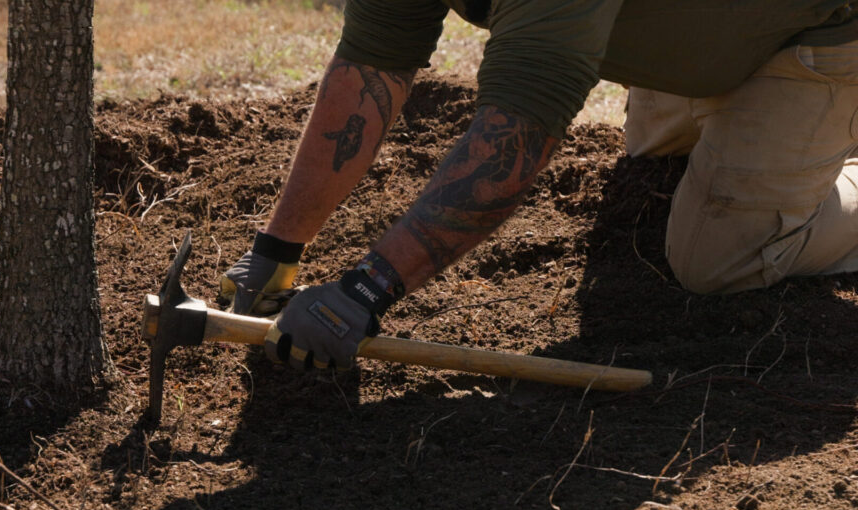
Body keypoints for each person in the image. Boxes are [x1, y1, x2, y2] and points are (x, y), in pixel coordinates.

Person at [219, 0, 858, 372]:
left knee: (715, 260)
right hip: (704, 34)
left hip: (815, 34)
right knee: (655, 167)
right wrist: (277, 251)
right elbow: (371, 62)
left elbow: (515, 137)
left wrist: (365, 290)